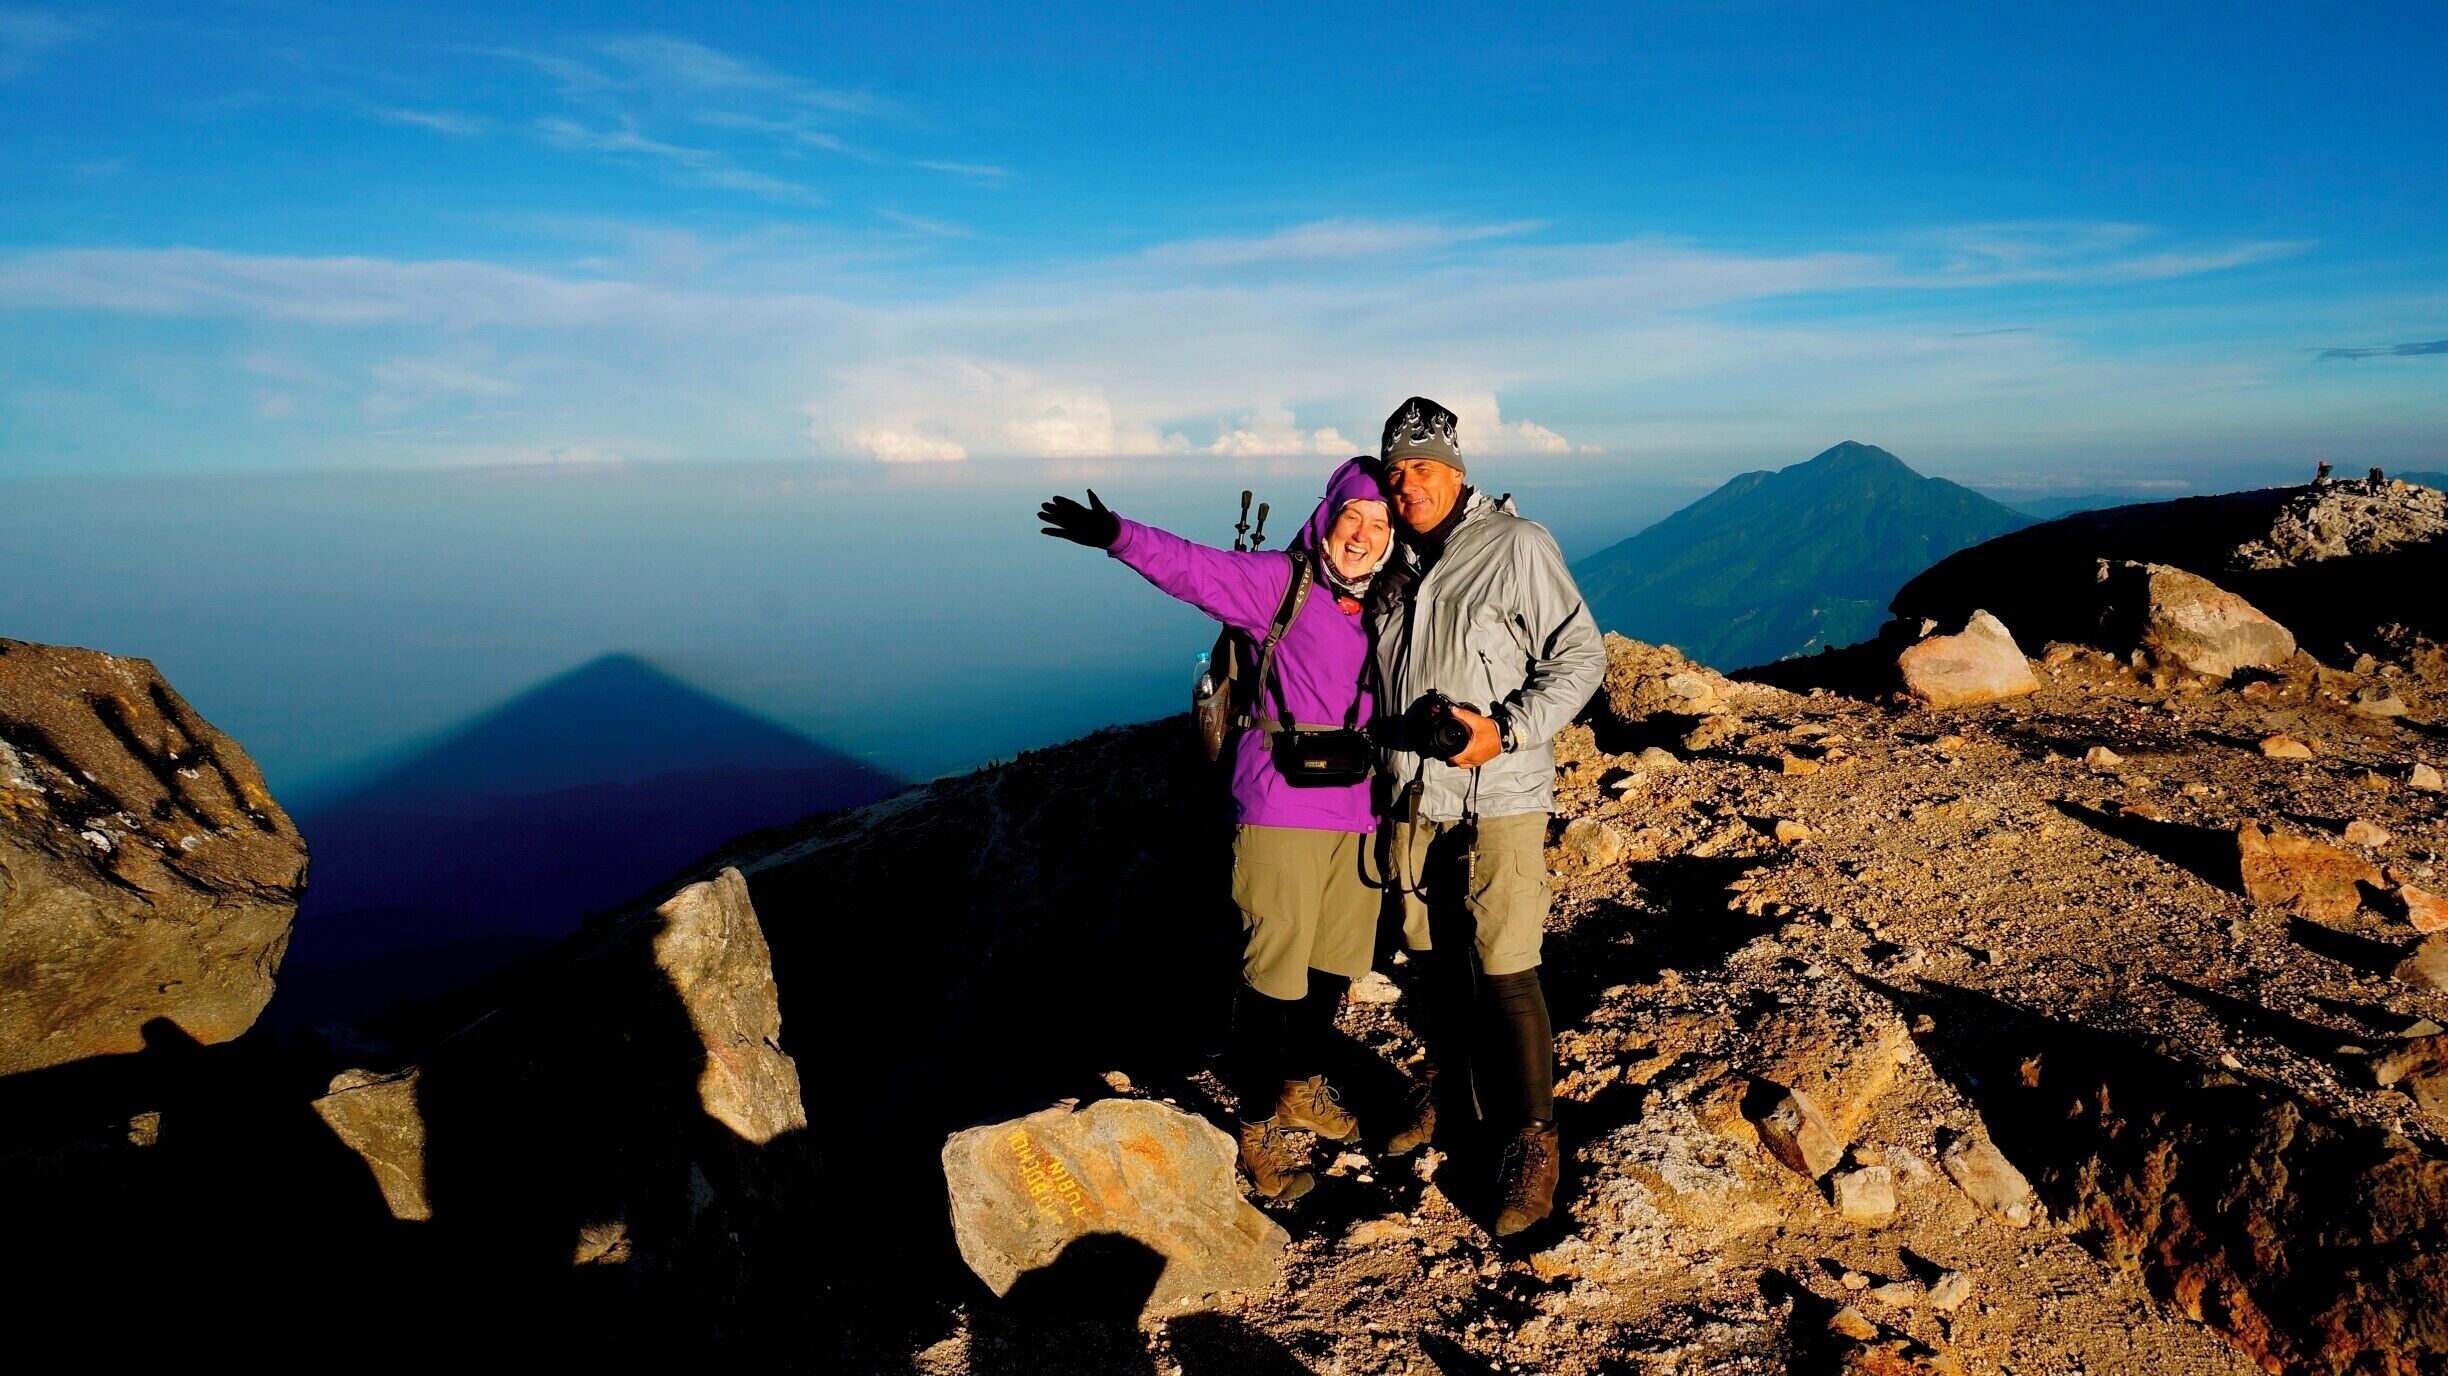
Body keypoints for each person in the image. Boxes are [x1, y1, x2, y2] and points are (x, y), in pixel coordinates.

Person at [1037, 459, 1394, 1201]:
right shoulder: (1280, 583)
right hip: (1283, 807)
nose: (1362, 536)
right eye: (1352, 520)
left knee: (1334, 962)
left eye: (1379, 525)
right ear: (1326, 522)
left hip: (1359, 810)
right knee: (1274, 972)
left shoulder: (1391, 601)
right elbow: (1194, 569)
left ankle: (1301, 1085)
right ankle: (1258, 1123)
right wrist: (1117, 534)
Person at [1367, 396, 1606, 1236]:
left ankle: (1532, 1141)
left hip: (1498, 792)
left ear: (1457, 471)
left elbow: (1581, 655)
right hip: (1412, 795)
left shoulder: (1517, 546)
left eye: (1422, 468)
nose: (1407, 485)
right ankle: (1450, 1088)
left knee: (1505, 960)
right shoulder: (1391, 561)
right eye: (1394, 472)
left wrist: (1504, 731)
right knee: (1431, 958)